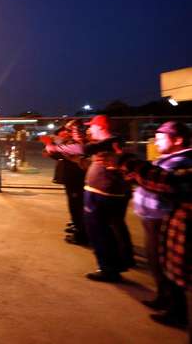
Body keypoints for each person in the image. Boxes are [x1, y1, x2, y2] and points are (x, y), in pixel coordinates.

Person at [120, 121, 192, 329]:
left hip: (164, 219)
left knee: (171, 267)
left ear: (178, 140)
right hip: (153, 217)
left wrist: (129, 163)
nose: (156, 142)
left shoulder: (184, 161)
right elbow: (148, 179)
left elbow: (163, 182)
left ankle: (176, 310)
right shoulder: (168, 158)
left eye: (161, 138)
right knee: (158, 263)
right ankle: (164, 299)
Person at [45, 115, 134, 282]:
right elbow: (84, 158)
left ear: (100, 127)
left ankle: (110, 268)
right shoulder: (101, 145)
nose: (88, 130)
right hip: (98, 192)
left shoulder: (110, 141)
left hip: (105, 195)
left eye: (91, 127)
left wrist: (55, 148)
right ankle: (114, 264)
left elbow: (82, 150)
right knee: (102, 231)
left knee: (103, 232)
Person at [44, 121, 88, 245]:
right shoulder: (71, 142)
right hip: (71, 179)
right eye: (66, 129)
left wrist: (50, 144)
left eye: (69, 129)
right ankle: (77, 227)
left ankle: (81, 235)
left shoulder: (77, 144)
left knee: (76, 206)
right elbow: (57, 153)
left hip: (76, 179)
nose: (65, 132)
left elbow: (57, 150)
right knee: (74, 206)